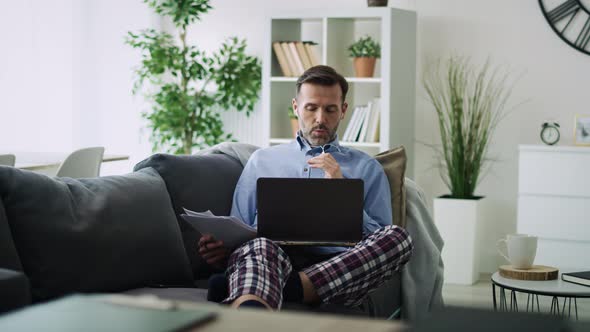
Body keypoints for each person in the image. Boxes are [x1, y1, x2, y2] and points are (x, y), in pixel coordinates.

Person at [198, 65, 413, 310]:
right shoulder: (262, 160)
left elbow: (379, 237)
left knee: (400, 239)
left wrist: (341, 193)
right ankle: (267, 292)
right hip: (271, 257)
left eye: (330, 109)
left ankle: (283, 287)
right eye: (311, 108)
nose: (320, 119)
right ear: (296, 107)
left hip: (338, 266)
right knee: (258, 246)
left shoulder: (367, 168)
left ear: (343, 110)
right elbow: (239, 227)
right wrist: (221, 250)